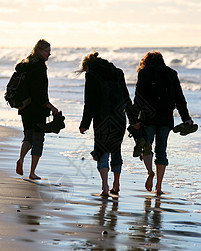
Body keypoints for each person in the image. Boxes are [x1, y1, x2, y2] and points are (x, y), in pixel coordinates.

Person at [132, 51, 193, 195]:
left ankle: (149, 173)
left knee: (146, 146)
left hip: (148, 117)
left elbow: (138, 97)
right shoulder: (171, 73)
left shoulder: (144, 73)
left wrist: (134, 119)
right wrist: (186, 118)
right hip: (166, 118)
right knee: (161, 150)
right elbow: (180, 98)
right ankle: (159, 186)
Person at [78, 51, 134, 196]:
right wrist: (134, 120)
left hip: (102, 118)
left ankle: (104, 186)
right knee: (116, 149)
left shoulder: (91, 75)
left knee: (102, 150)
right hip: (119, 118)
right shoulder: (118, 73)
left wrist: (85, 123)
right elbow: (126, 97)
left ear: (87, 66)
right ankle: (116, 184)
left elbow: (89, 102)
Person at [16, 39, 58, 180]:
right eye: (47, 51)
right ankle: (32, 172)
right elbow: (39, 92)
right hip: (37, 109)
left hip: (25, 107)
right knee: (38, 139)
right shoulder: (39, 67)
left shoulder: (25, 64)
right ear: (39, 50)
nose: (49, 54)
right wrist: (50, 106)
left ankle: (21, 159)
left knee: (27, 136)